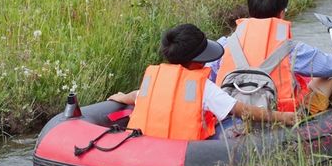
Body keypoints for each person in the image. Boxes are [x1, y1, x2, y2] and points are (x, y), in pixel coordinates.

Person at [109, 22, 295, 141]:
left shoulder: (154, 79)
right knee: (233, 124)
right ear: (199, 59)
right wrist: (283, 117)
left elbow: (137, 95)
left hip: (150, 147)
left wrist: (123, 97)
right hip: (188, 153)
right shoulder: (203, 87)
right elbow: (242, 111)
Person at [212, 0, 332, 118]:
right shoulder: (293, 49)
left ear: (250, 12)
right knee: (330, 77)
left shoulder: (225, 44)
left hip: (231, 114)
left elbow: (208, 75)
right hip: (281, 116)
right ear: (281, 13)